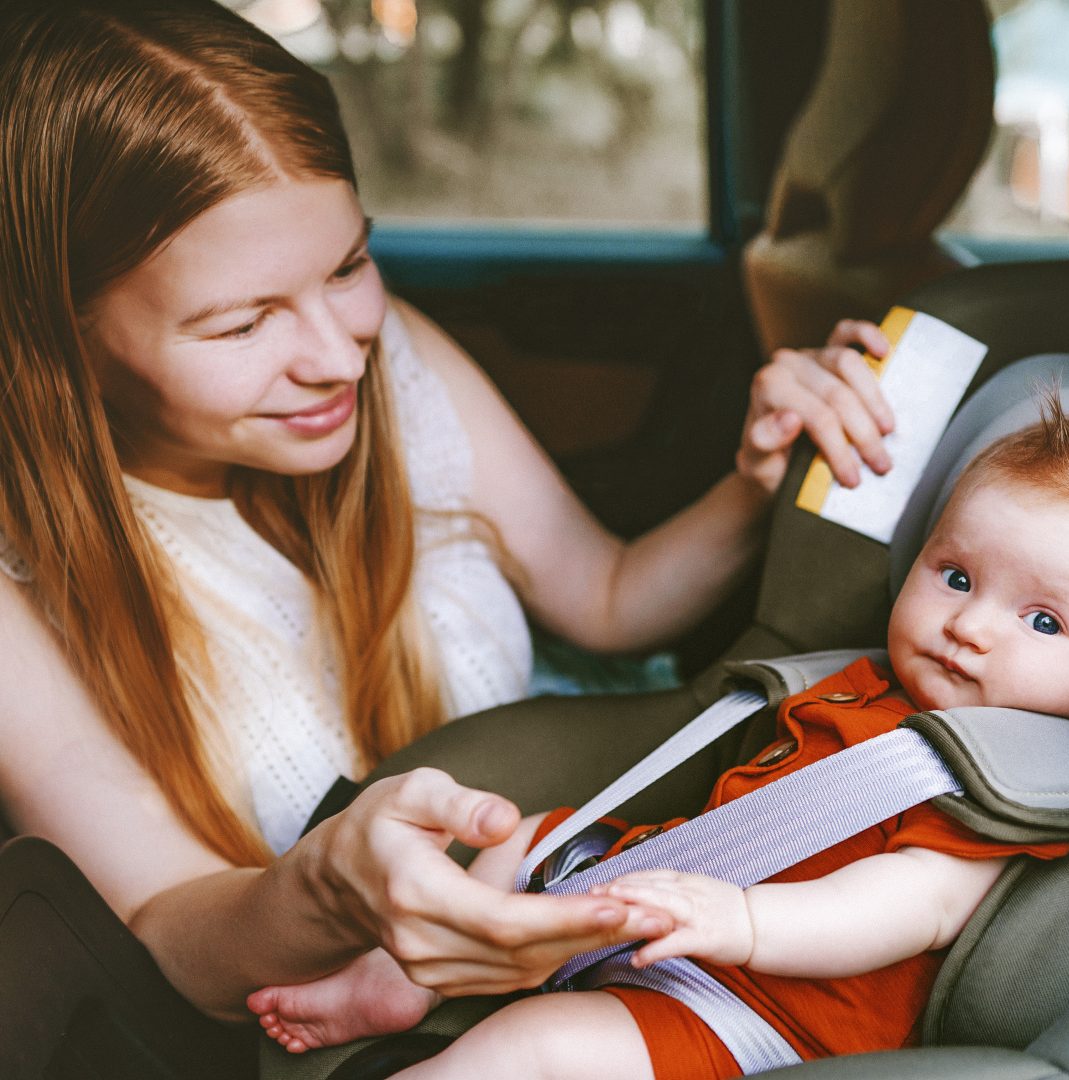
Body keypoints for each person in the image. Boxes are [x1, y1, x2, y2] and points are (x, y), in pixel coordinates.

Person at [0, 0, 897, 1024]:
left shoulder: (394, 361)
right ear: (62, 333)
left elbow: (607, 599)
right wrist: (331, 883)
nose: (338, 355)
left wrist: (761, 474)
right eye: (243, 323)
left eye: (348, 267)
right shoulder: (19, 576)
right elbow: (161, 918)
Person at [248, 399, 1069, 1079]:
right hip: (678, 913)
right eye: (955, 576)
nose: (972, 625)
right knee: (516, 833)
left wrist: (740, 924)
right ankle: (390, 984)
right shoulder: (869, 682)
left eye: (1042, 621)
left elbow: (912, 904)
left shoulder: (1017, 774)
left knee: (526, 1055)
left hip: (764, 1012)